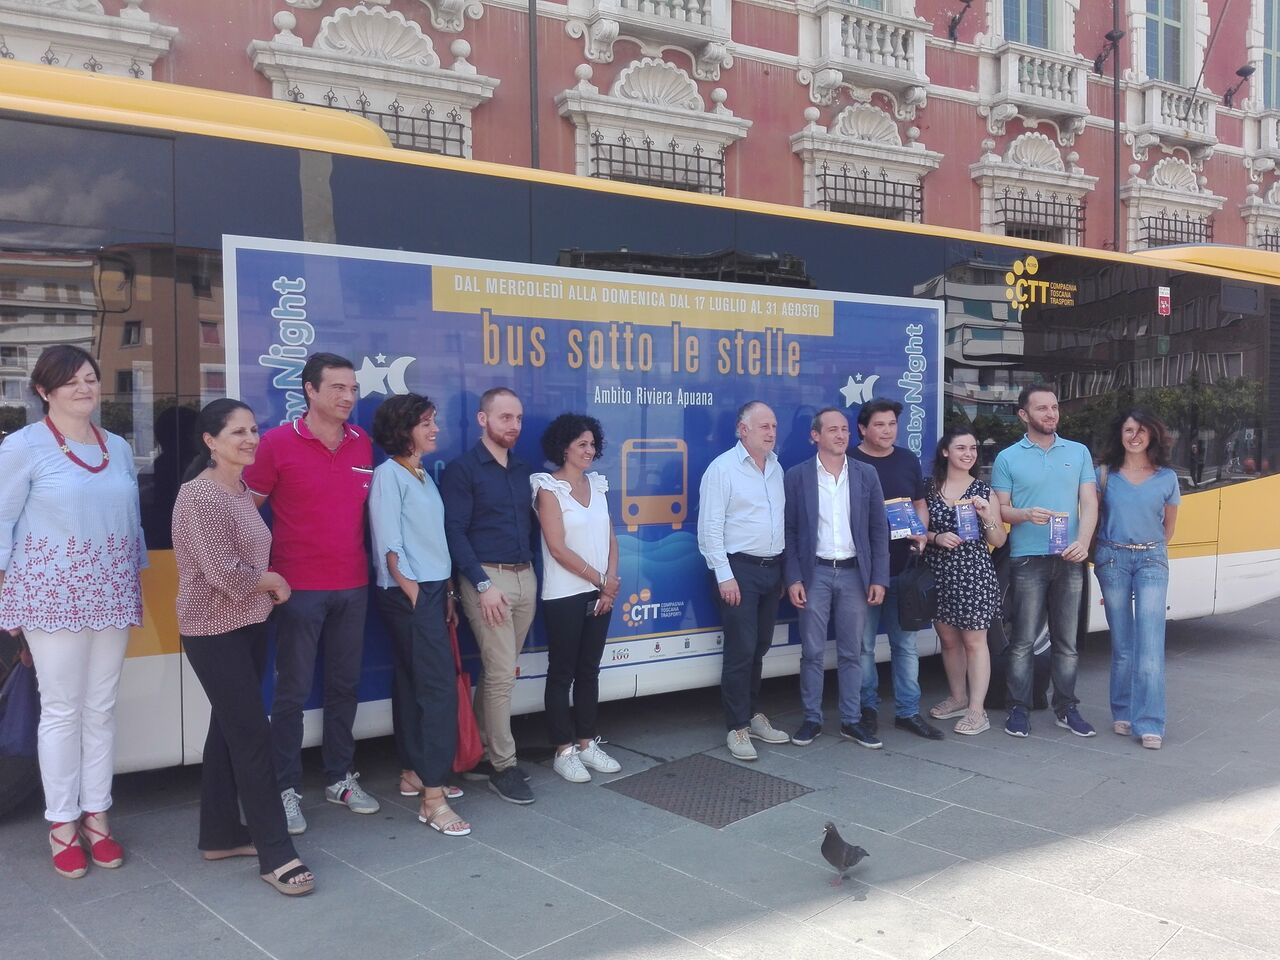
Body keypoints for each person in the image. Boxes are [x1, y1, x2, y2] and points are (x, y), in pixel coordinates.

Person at [0, 344, 146, 879]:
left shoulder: (119, 448)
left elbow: (131, 524)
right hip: (50, 596)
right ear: (44, 391)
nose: (85, 388)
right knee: (62, 710)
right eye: (71, 381)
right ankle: (61, 822)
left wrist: (133, 578)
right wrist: (7, 599)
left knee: (101, 708)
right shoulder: (23, 447)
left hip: (110, 591)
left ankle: (97, 814)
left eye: (90, 378)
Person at [171, 399, 315, 896]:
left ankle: (220, 835)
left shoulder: (239, 490)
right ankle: (277, 853)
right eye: (238, 432)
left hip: (249, 624)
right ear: (211, 441)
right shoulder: (200, 497)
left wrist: (265, 589)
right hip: (214, 632)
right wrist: (273, 580)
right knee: (253, 737)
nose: (251, 438)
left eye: (254, 429)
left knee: (228, 730)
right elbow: (223, 576)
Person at [243, 352, 379, 835]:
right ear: (310, 390)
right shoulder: (277, 444)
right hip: (297, 590)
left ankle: (340, 777)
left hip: (353, 585)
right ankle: (285, 789)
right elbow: (245, 511)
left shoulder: (363, 443)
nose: (347, 397)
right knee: (293, 692)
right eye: (337, 388)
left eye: (353, 389)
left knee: (345, 686)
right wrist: (258, 572)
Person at [369, 393, 470, 835]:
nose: (435, 429)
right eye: (426, 423)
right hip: (410, 594)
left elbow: (430, 541)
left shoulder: (421, 474)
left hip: (429, 590)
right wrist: (415, 594)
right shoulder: (389, 475)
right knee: (437, 690)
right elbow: (390, 546)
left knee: (412, 686)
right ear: (403, 429)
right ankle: (433, 798)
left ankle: (414, 772)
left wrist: (444, 590)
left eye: (434, 420)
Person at [440, 387, 537, 804]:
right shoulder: (463, 470)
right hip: (488, 582)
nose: (513, 426)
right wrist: (481, 585)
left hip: (524, 578)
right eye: (504, 418)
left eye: (517, 419)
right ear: (483, 420)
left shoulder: (522, 470)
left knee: (500, 672)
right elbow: (454, 532)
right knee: (500, 676)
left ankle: (478, 750)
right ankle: (504, 764)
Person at [991, 383, 1097, 738]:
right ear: (1024, 414)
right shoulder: (1007, 457)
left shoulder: (1078, 451)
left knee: (1067, 643)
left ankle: (1066, 707)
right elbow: (1001, 510)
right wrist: (1024, 514)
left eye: (1054, 407)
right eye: (1042, 409)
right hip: (1026, 559)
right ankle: (1018, 709)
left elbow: (1090, 503)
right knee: (1021, 641)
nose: (1051, 414)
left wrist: (1083, 542)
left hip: (1069, 558)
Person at [783, 408, 890, 749]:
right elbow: (789, 530)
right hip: (814, 573)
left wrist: (879, 578)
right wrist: (793, 578)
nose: (841, 435)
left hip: (854, 574)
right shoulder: (797, 476)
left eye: (845, 429)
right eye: (833, 430)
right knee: (812, 651)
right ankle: (811, 719)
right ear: (815, 436)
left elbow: (878, 529)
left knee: (853, 651)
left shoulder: (866, 474)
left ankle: (851, 720)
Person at [697, 401, 792, 761]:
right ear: (743, 430)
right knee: (740, 650)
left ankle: (752, 715)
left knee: (760, 646)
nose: (771, 432)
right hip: (739, 571)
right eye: (763, 426)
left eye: (774, 426)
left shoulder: (775, 467)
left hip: (771, 570)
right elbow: (709, 529)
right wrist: (725, 576)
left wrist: (781, 570)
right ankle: (736, 727)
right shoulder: (722, 470)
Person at [531, 413, 623, 783]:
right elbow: (557, 548)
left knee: (589, 670)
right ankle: (563, 750)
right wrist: (601, 579)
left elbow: (611, 537)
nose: (590, 451)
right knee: (562, 673)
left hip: (600, 593)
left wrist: (609, 584)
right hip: (564, 595)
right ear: (563, 447)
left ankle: (587, 743)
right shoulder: (547, 488)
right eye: (582, 444)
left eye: (592, 444)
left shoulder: (597, 485)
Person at [850, 399, 942, 741]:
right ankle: (867, 709)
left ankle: (907, 712)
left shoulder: (907, 459)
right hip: (863, 572)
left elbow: (919, 502)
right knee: (863, 647)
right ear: (863, 429)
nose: (887, 431)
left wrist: (921, 530)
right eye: (880, 425)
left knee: (905, 646)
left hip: (903, 568)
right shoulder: (850, 461)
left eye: (892, 424)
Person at [1095, 409, 1179, 750]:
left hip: (1151, 560)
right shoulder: (1105, 476)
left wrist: (1148, 548)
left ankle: (1150, 722)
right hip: (1112, 558)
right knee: (1123, 642)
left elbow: (1169, 529)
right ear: (1120, 434)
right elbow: (1094, 518)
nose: (1135, 436)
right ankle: (1123, 710)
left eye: (1142, 430)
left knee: (1150, 642)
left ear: (1152, 436)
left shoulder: (1167, 477)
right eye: (1129, 429)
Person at [923, 427, 1006, 736]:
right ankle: (957, 697)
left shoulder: (984, 491)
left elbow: (997, 539)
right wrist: (936, 536)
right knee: (948, 640)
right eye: (961, 448)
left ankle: (976, 709)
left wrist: (987, 516)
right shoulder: (929, 488)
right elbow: (918, 530)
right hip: (938, 572)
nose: (968, 453)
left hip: (973, 574)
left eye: (972, 448)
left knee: (974, 642)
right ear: (946, 452)